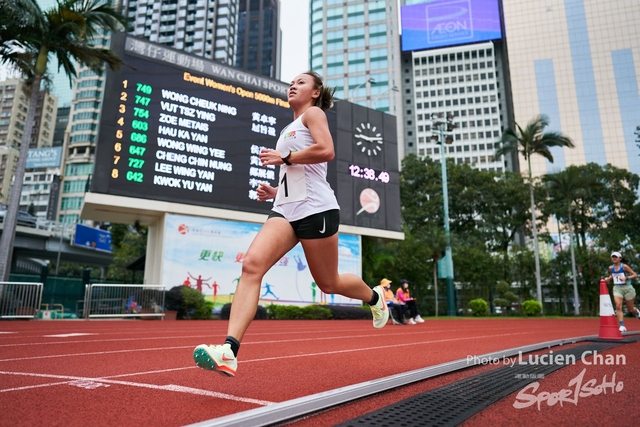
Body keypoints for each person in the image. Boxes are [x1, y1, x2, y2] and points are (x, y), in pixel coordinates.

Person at [193, 71, 389, 376]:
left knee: (329, 283)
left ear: (315, 92)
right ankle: (229, 351)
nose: (292, 86)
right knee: (251, 266)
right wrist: (275, 190)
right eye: (291, 83)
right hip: (285, 209)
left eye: (300, 82)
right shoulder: (287, 129)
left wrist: (285, 158)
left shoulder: (313, 114)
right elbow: (297, 172)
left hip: (317, 210)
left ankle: (375, 297)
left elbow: (327, 151)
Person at [606, 251, 640, 332]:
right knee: (618, 306)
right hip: (617, 288)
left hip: (627, 288)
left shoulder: (624, 266)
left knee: (630, 309)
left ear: (620, 259)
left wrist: (626, 278)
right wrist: (608, 278)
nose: (614, 258)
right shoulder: (611, 268)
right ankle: (622, 326)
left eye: (616, 257)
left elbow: (635, 275)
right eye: (612, 257)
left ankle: (637, 312)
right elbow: (613, 275)